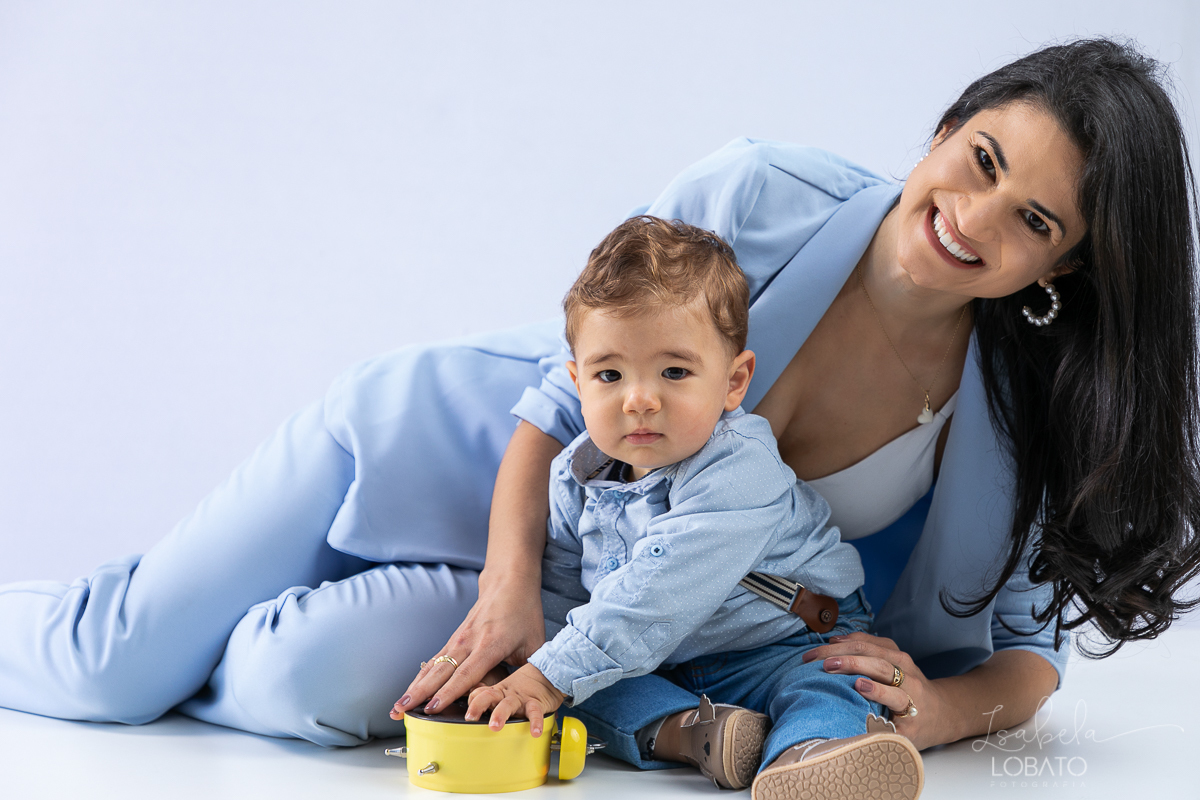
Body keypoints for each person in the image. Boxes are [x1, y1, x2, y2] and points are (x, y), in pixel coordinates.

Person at [0, 35, 1196, 794]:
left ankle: (213, 640)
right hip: (455, 464)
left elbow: (1029, 654)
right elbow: (544, 400)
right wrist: (504, 589)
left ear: (1062, 267)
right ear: (943, 129)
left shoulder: (1022, 418)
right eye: (983, 158)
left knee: (295, 679)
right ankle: (152, 625)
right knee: (113, 664)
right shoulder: (762, 191)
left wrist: (938, 710)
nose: (975, 217)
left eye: (1034, 220)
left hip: (596, 609)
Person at [441, 214, 912, 793]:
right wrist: (530, 670)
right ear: (578, 384)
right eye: (609, 375)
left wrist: (547, 677)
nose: (639, 399)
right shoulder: (572, 477)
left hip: (785, 641)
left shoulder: (740, 466)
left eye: (673, 371)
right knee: (580, 679)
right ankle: (697, 734)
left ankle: (812, 754)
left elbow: (656, 593)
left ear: (733, 381)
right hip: (660, 663)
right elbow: (563, 597)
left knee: (829, 682)